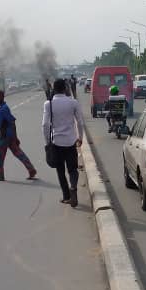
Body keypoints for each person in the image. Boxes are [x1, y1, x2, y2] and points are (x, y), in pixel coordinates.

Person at [43, 77, 83, 206]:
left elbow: (45, 125)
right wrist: (80, 138)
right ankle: (74, 188)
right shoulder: (73, 102)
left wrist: (47, 141)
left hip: (56, 143)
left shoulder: (48, 104)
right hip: (71, 142)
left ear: (54, 89)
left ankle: (66, 196)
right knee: (73, 170)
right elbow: (80, 122)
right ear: (65, 88)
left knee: (60, 171)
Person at [0, 89, 37, 181]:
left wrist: (16, 137)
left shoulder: (4, 109)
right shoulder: (2, 108)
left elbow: (12, 122)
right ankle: (31, 169)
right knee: (18, 152)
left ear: (2, 97)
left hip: (6, 136)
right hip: (8, 135)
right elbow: (3, 123)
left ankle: (0, 175)